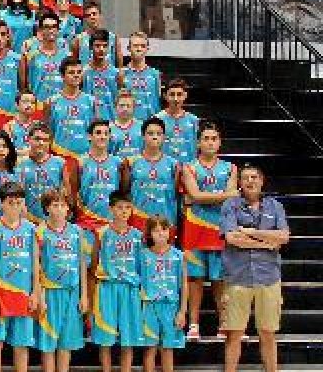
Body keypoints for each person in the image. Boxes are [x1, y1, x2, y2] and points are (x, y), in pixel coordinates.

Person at [220, 164, 291, 372]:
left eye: (254, 177)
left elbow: (284, 236)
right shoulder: (230, 205)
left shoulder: (275, 206)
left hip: (269, 277)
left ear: (262, 181)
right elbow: (233, 238)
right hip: (237, 277)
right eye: (245, 178)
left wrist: (250, 232)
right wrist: (268, 241)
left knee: (268, 332)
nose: (250, 181)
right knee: (234, 333)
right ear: (240, 183)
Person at [181, 122, 237, 340]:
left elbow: (201, 196)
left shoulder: (230, 168)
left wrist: (202, 196)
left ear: (219, 142)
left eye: (214, 138)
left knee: (219, 278)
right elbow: (195, 195)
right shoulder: (189, 167)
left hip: (220, 228)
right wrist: (223, 195)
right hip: (195, 226)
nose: (210, 142)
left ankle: (224, 322)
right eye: (206, 138)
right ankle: (193, 324)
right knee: (195, 278)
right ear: (198, 142)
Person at [0, 181, 39, 372]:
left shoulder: (31, 229)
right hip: (0, 293)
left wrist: (35, 293)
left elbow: (35, 264)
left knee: (22, 345)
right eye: (10, 202)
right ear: (1, 203)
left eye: (18, 202)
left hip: (23, 293)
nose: (14, 206)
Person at [34, 190, 88, 372]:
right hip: (49, 292)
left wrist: (84, 295)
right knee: (48, 343)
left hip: (72, 292)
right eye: (55, 205)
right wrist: (40, 295)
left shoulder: (77, 231)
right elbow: (37, 266)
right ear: (47, 208)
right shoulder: (39, 232)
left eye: (63, 205)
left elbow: (81, 263)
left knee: (66, 342)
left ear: (68, 209)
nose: (59, 209)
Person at [91, 190, 144, 372]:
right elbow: (93, 264)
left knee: (128, 338)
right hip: (107, 288)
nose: (123, 211)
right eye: (119, 207)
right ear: (111, 209)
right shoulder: (102, 233)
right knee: (106, 338)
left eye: (127, 208)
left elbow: (142, 266)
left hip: (130, 289)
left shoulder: (138, 236)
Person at [139, 216, 188, 372]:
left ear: (170, 231)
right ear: (149, 234)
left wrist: (182, 311)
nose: (160, 234)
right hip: (149, 306)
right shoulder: (143, 255)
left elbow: (184, 285)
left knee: (167, 349)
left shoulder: (178, 256)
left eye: (164, 230)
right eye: (156, 230)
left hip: (171, 307)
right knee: (150, 348)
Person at [74, 119, 129, 232]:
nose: (102, 136)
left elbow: (123, 191)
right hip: (86, 222)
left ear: (110, 137)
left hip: (112, 223)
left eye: (106, 133)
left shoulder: (119, 163)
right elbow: (73, 193)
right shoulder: (80, 162)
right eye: (98, 133)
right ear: (89, 136)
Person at [153, 79, 199, 165]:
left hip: (188, 168)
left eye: (179, 94)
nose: (176, 99)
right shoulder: (157, 120)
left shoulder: (193, 120)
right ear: (165, 96)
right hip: (163, 169)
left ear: (185, 95)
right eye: (172, 94)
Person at [120, 33, 161, 123]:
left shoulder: (155, 74)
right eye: (135, 46)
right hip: (129, 126)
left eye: (143, 46)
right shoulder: (121, 73)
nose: (139, 49)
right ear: (128, 48)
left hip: (150, 126)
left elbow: (157, 101)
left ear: (147, 49)